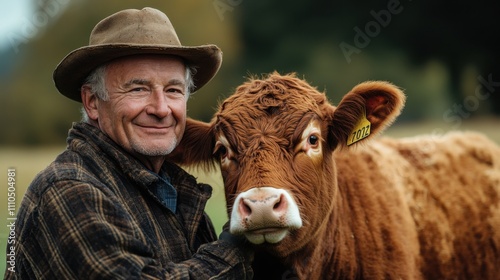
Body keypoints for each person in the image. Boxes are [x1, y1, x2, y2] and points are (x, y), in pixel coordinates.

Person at [4, 7, 253, 279]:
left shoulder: (170, 189)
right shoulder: (68, 190)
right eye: (138, 89)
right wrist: (236, 245)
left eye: (173, 90)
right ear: (92, 102)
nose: (161, 108)